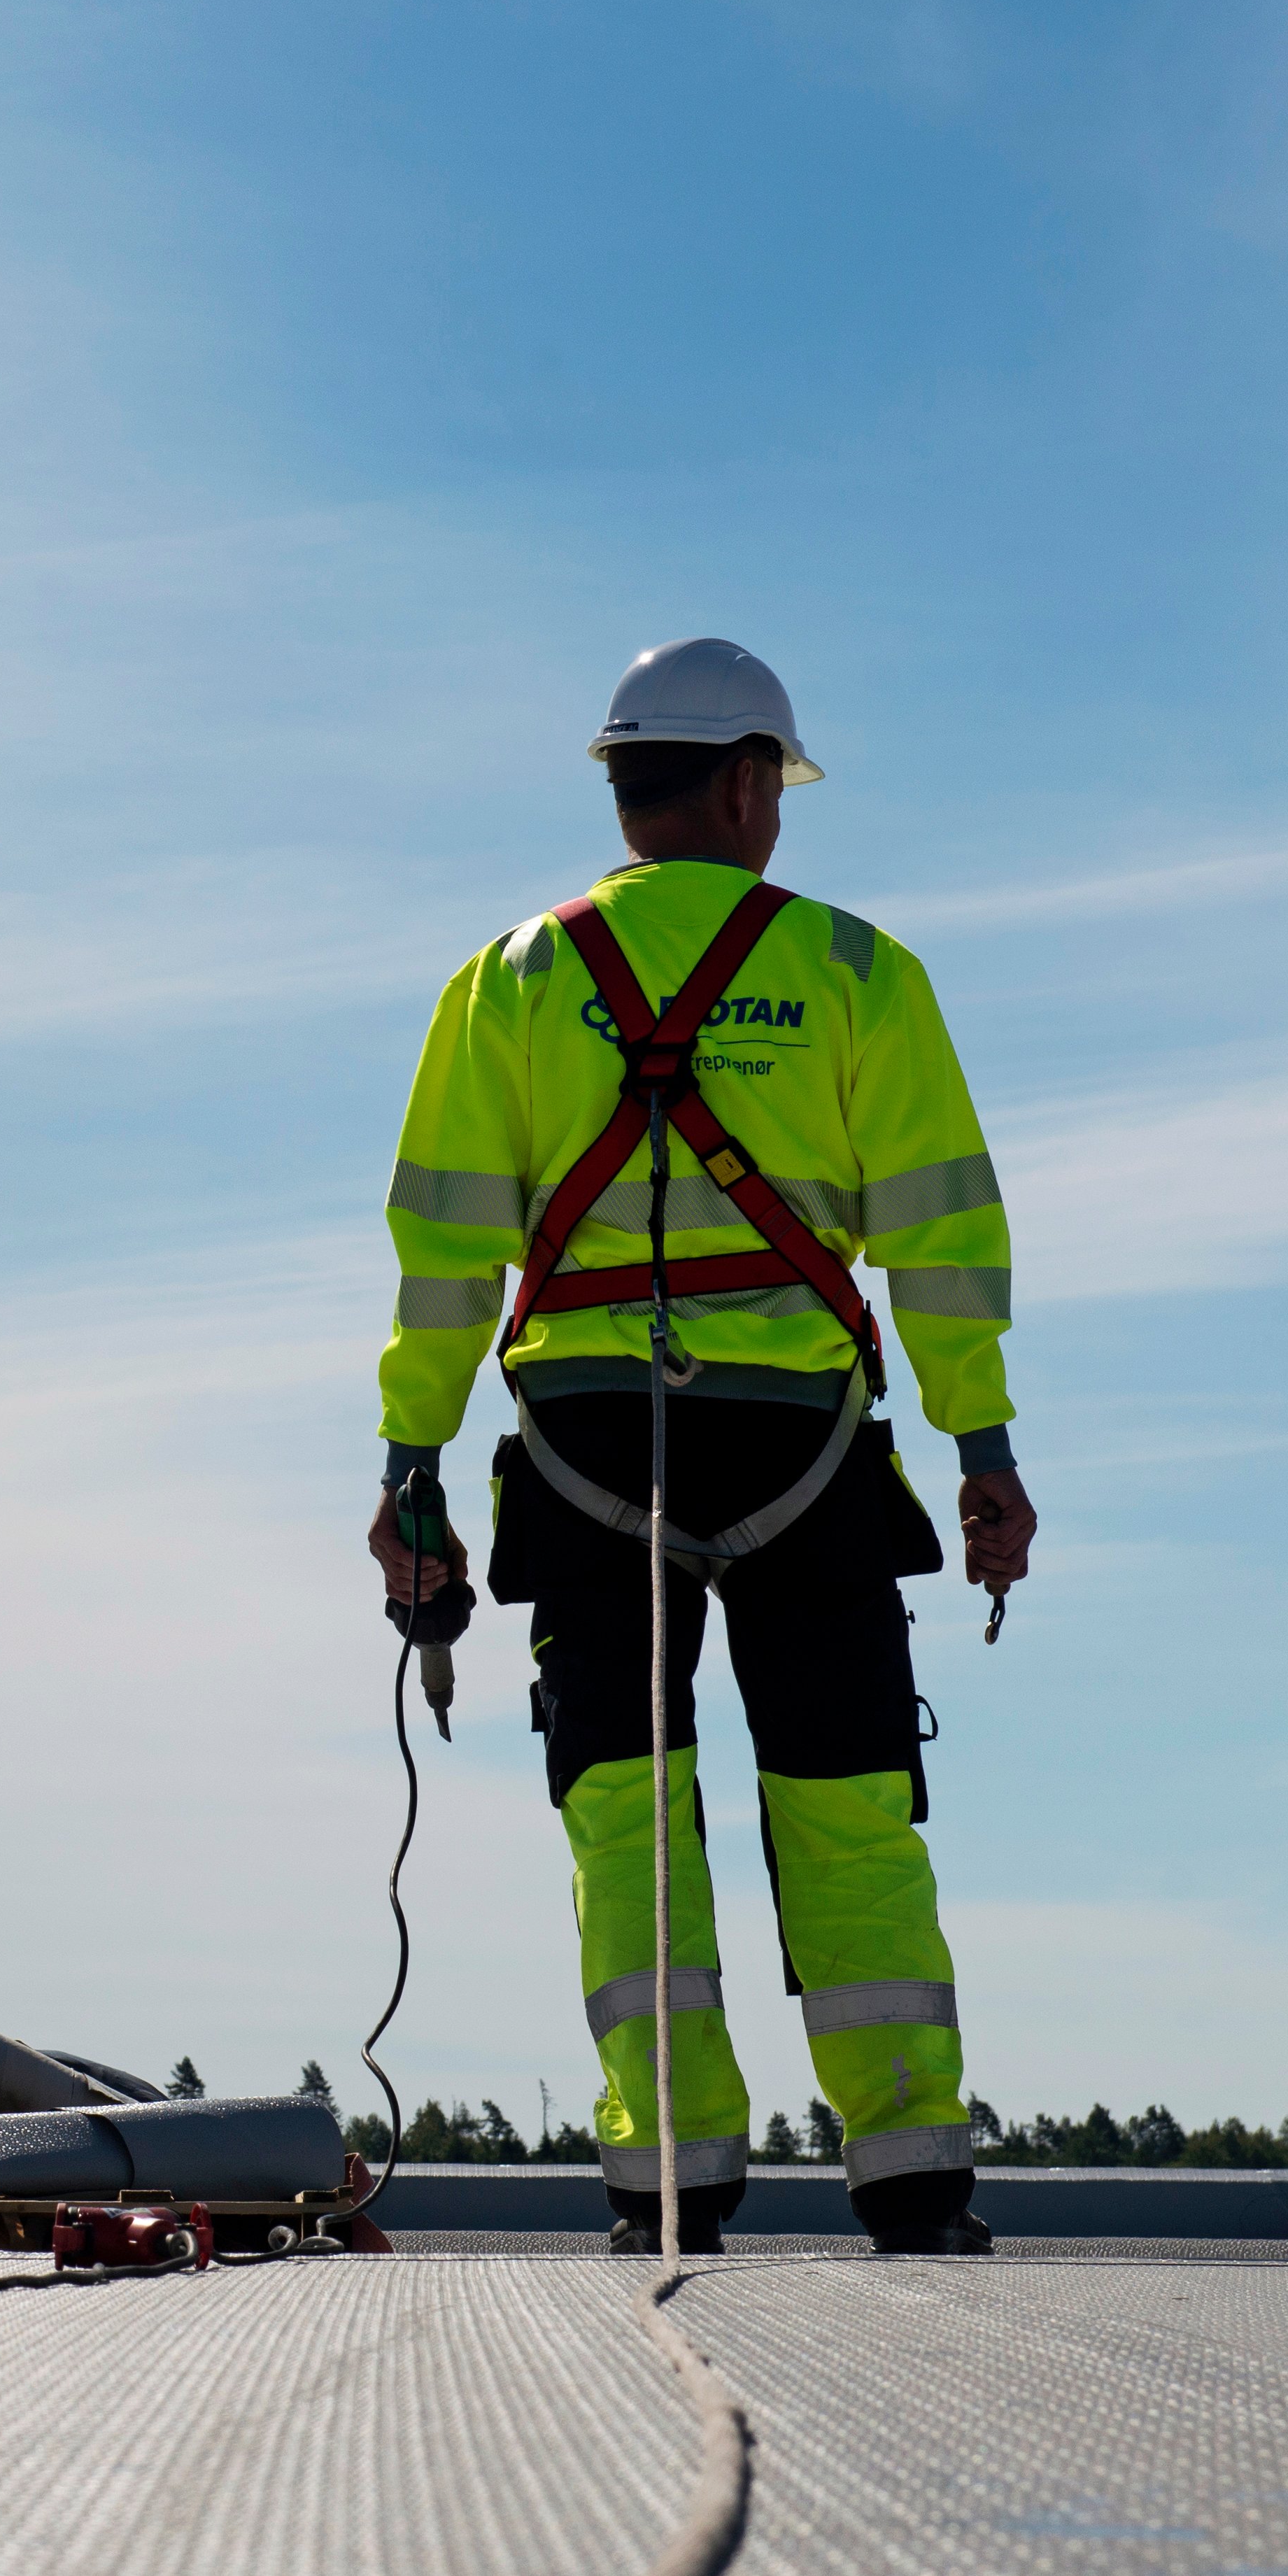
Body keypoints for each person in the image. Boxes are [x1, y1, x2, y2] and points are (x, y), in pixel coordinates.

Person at [362, 637, 1033, 2256]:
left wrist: (408, 1468)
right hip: (800, 1442)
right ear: (744, 780)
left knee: (623, 1808)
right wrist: (980, 1441)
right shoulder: (862, 975)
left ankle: (667, 2171)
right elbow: (940, 1238)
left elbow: (443, 1255)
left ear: (624, 781)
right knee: (848, 1794)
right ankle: (911, 2174)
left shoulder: (505, 982)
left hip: (584, 1446)